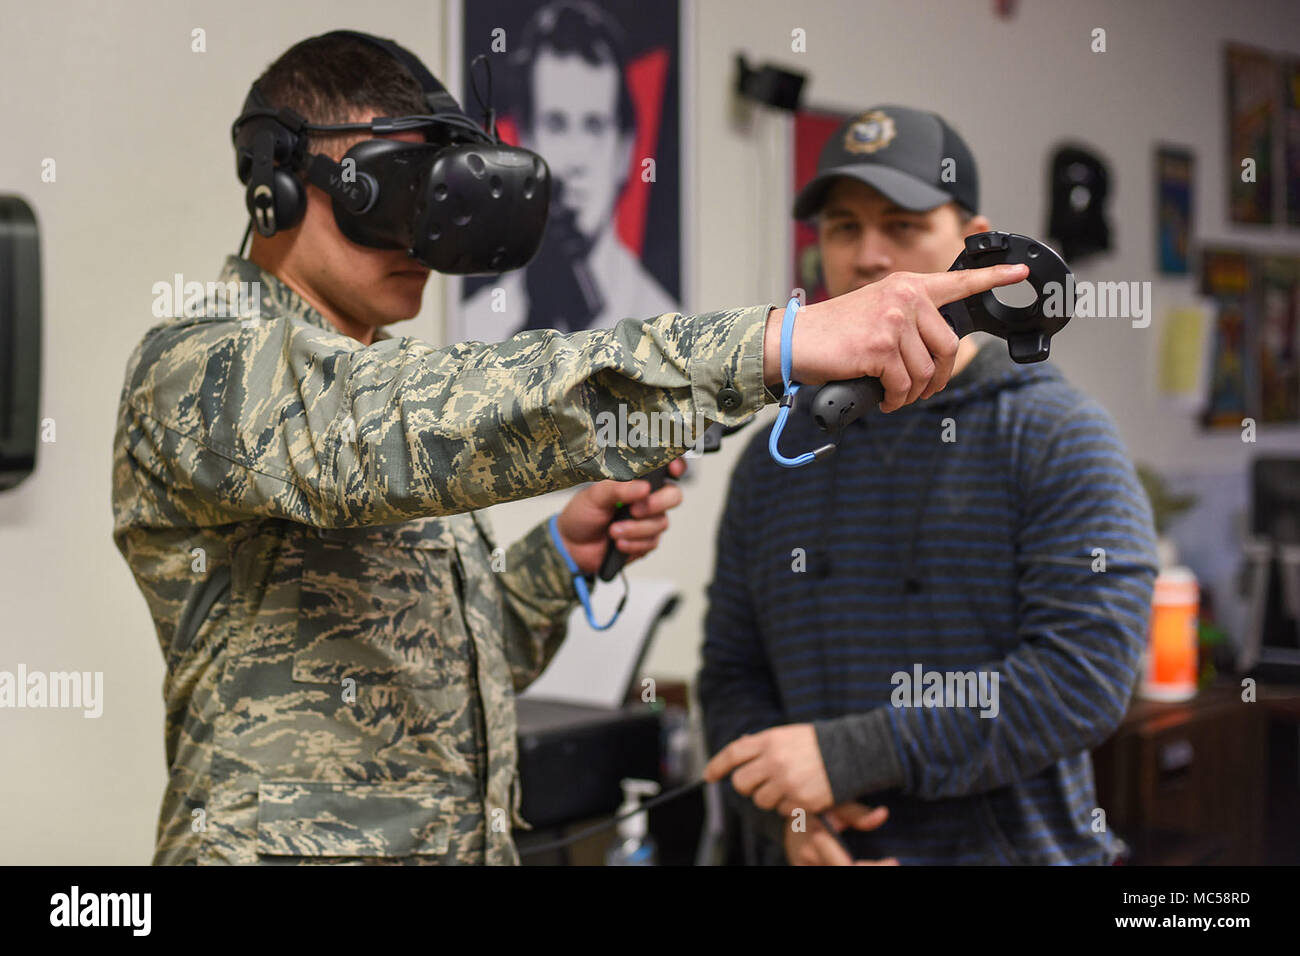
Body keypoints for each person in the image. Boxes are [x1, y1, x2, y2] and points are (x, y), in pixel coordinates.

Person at [111, 38, 1025, 866]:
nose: (424, 236)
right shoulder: (203, 365)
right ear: (275, 179)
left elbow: (449, 671)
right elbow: (387, 427)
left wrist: (558, 561)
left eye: (442, 200)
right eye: (397, 194)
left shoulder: (386, 379)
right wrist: (776, 343)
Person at [700, 105, 1158, 865]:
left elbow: (1085, 675)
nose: (869, 255)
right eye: (844, 228)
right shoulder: (776, 457)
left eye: (903, 224)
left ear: (972, 242)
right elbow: (731, 675)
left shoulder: (1057, 435)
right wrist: (786, 811)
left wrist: (848, 754)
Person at [460, 0, 677, 340]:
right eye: (556, 125)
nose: (576, 158)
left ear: (624, 147)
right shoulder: (474, 328)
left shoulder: (668, 328)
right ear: (526, 140)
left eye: (594, 126)